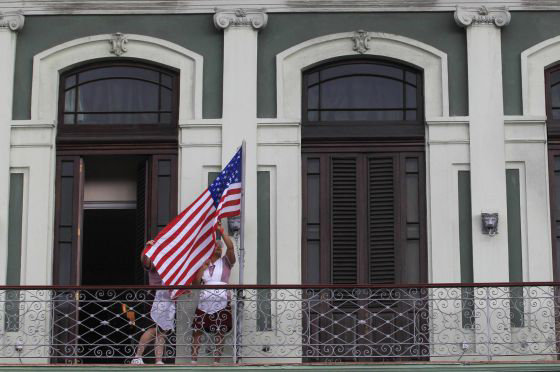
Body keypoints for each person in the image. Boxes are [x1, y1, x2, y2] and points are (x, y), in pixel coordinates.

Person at [191, 221, 235, 363]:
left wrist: (221, 230)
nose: (219, 248)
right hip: (205, 300)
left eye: (219, 247)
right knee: (197, 330)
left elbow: (231, 247)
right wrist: (202, 270)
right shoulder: (203, 264)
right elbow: (196, 284)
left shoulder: (226, 262)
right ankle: (193, 360)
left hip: (221, 299)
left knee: (220, 330)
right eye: (216, 246)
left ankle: (216, 361)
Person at [131, 240, 176, 365]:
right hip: (155, 296)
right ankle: (137, 356)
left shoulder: (171, 263)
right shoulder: (155, 260)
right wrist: (147, 247)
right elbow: (145, 262)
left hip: (168, 298)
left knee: (162, 331)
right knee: (152, 329)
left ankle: (159, 360)